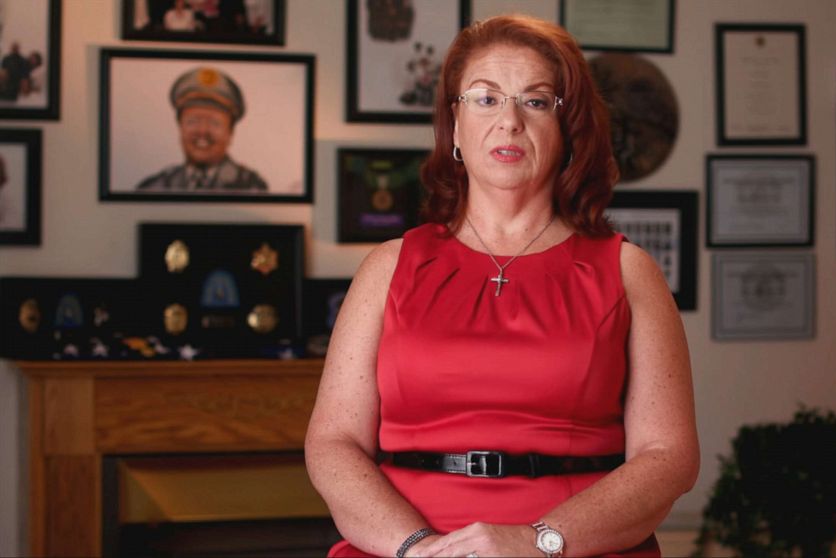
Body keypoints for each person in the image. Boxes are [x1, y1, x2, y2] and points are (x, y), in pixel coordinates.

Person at [305, 14, 699, 558]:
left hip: (572, 550)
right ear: (455, 123)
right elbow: (333, 444)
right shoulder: (388, 267)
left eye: (535, 101)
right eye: (485, 99)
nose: (509, 121)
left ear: (567, 128)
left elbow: (669, 457)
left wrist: (539, 543)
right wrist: (417, 548)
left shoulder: (629, 272)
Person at [135, 66, 267, 192]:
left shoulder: (251, 187)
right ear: (180, 126)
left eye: (214, 123)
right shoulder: (155, 187)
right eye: (192, 121)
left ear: (230, 132)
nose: (202, 131)